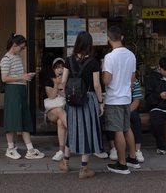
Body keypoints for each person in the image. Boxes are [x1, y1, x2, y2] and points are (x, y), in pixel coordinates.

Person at [59, 31, 104, 179]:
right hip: (88, 100)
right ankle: (83, 169)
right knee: (87, 131)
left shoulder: (69, 60)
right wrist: (100, 102)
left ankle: (65, 163)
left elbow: (63, 82)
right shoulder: (93, 62)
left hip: (72, 101)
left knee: (72, 129)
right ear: (90, 44)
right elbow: (96, 85)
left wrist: (67, 97)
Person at [102, 25, 141, 174]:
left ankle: (122, 163)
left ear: (108, 39)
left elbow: (107, 80)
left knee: (118, 130)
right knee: (127, 128)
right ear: (121, 37)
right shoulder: (131, 55)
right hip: (126, 97)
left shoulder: (110, 57)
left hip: (114, 99)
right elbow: (133, 78)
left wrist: (103, 77)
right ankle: (133, 158)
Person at [0, 33, 45, 160]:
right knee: (11, 118)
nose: (22, 50)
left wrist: (26, 76)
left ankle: (30, 149)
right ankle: (10, 148)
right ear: (15, 45)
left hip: (20, 89)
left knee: (24, 117)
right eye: (22, 47)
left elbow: (15, 76)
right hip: (13, 90)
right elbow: (4, 78)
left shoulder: (17, 57)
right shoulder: (6, 59)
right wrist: (23, 77)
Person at [40, 57, 68, 162]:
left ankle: (61, 151)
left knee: (61, 122)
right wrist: (56, 84)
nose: (60, 70)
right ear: (53, 69)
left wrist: (63, 84)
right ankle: (76, 133)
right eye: (57, 67)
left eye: (62, 67)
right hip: (52, 111)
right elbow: (51, 96)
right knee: (59, 111)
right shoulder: (49, 80)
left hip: (64, 110)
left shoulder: (68, 80)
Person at [130, 76, 145, 163]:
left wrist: (126, 112)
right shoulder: (113, 78)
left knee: (136, 118)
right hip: (116, 108)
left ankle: (137, 150)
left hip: (130, 108)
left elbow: (136, 101)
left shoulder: (134, 80)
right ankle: (113, 148)